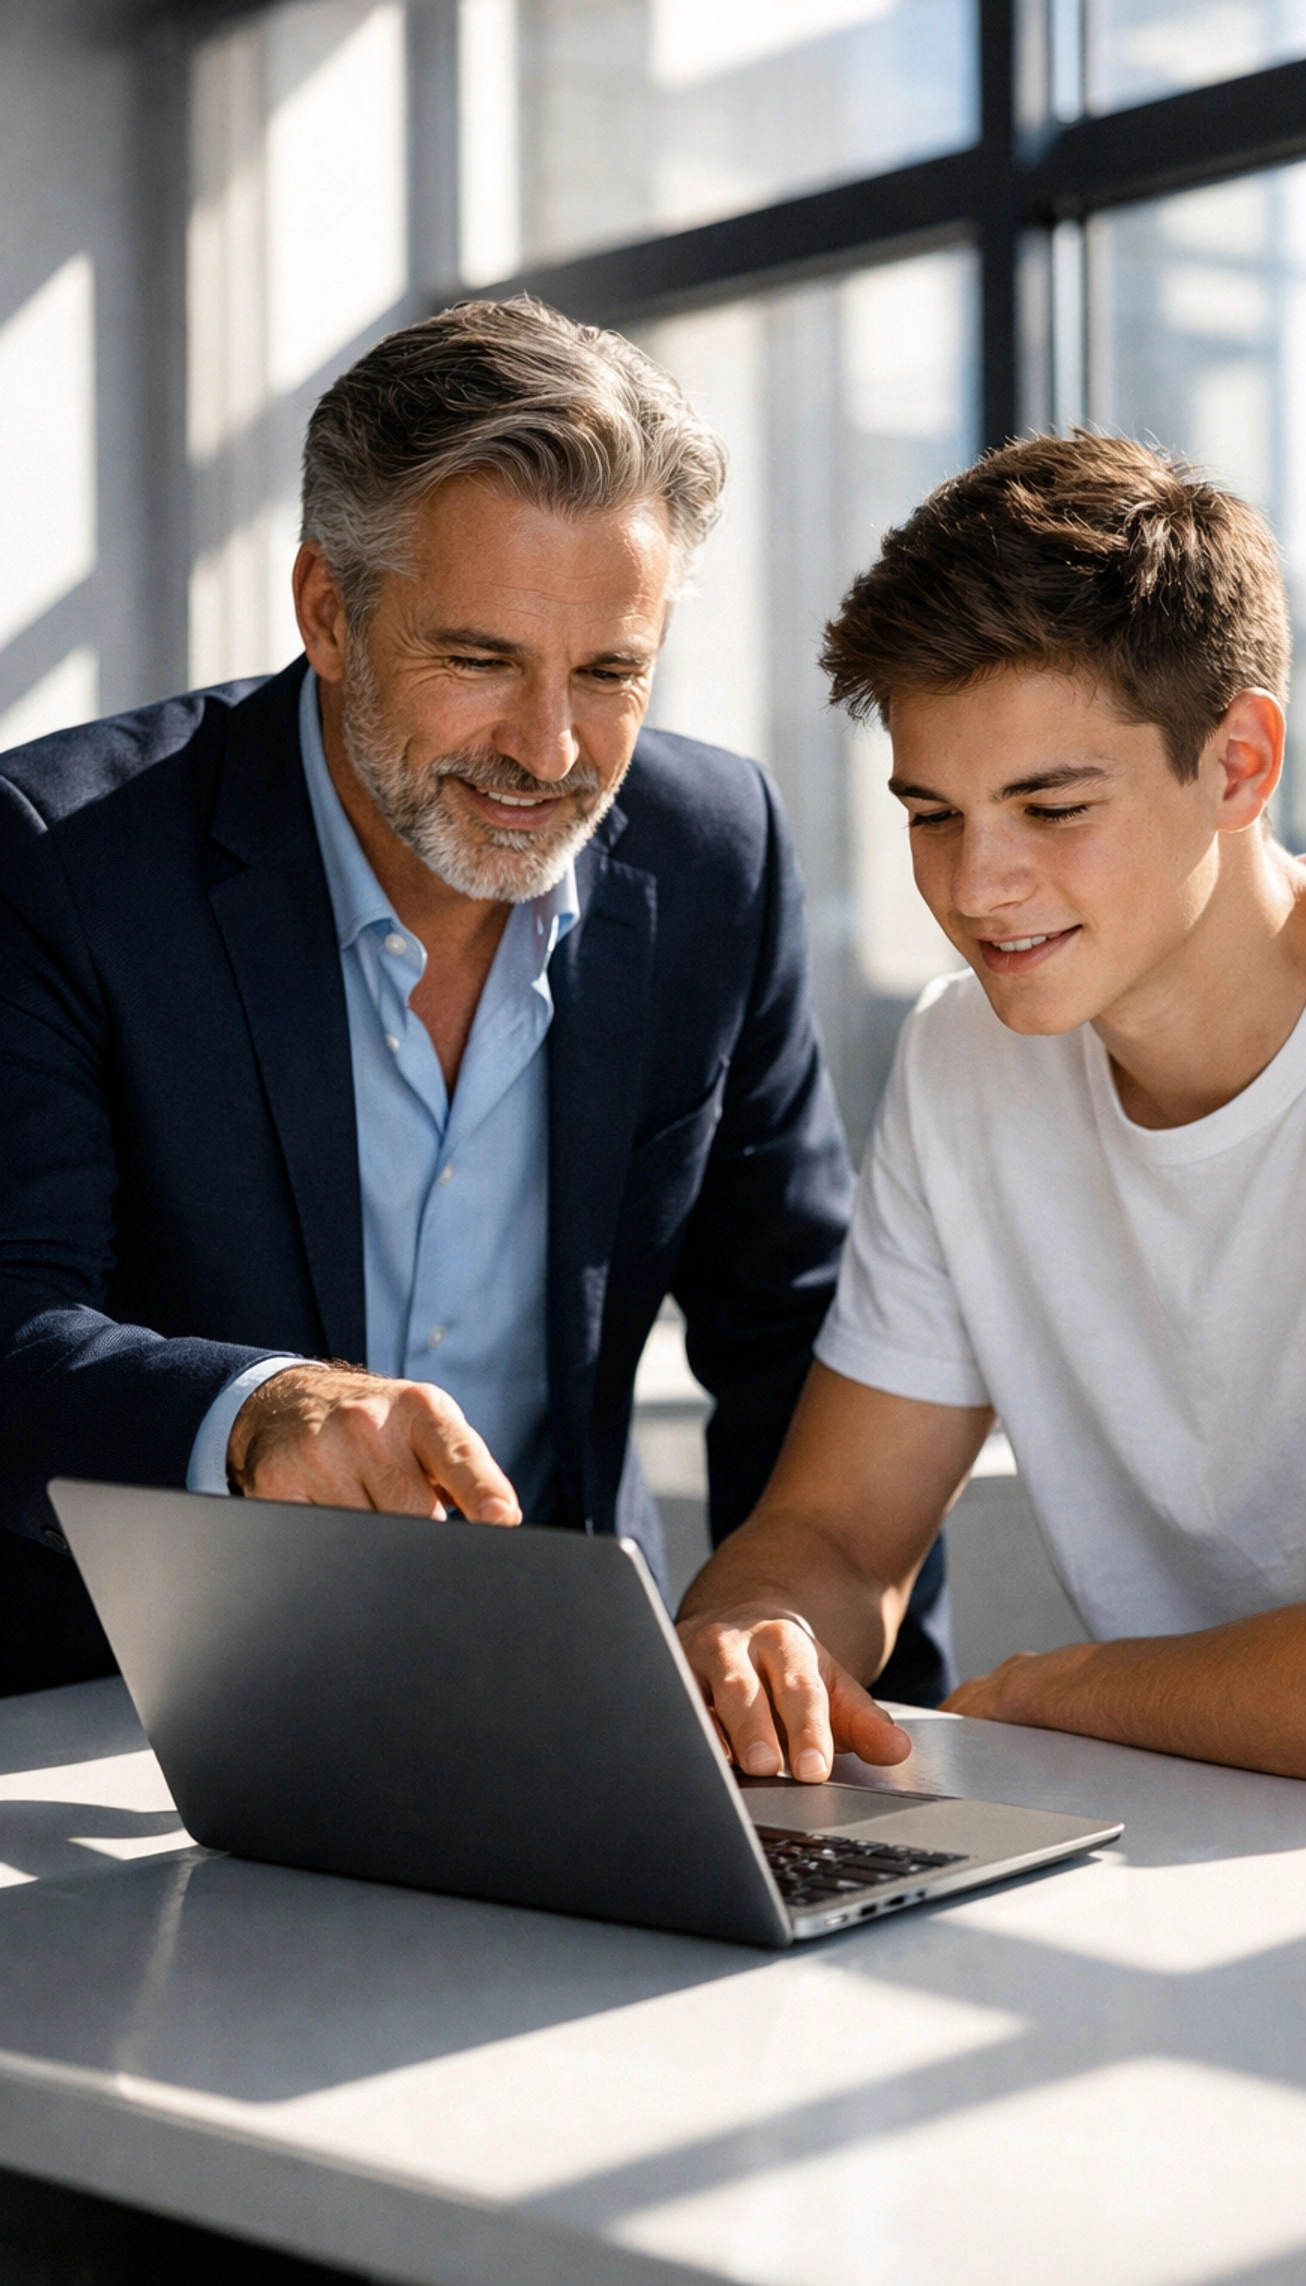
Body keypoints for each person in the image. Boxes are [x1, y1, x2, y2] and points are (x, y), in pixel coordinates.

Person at [0, 295, 951, 1701]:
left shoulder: (712, 853)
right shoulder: (60, 859)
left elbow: (794, 1323)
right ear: (329, 611)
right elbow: (13, 1330)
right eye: (481, 659)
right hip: (136, 1717)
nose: (550, 748)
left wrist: (850, 1707)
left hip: (557, 1704)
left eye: (611, 672)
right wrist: (260, 1414)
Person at [678, 431, 1306, 1809]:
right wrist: (753, 1633)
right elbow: (835, 1532)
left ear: (1240, 762)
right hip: (1174, 1838)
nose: (977, 887)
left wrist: (1058, 1695)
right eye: (932, 815)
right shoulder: (966, 1057)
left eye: (1052, 807)